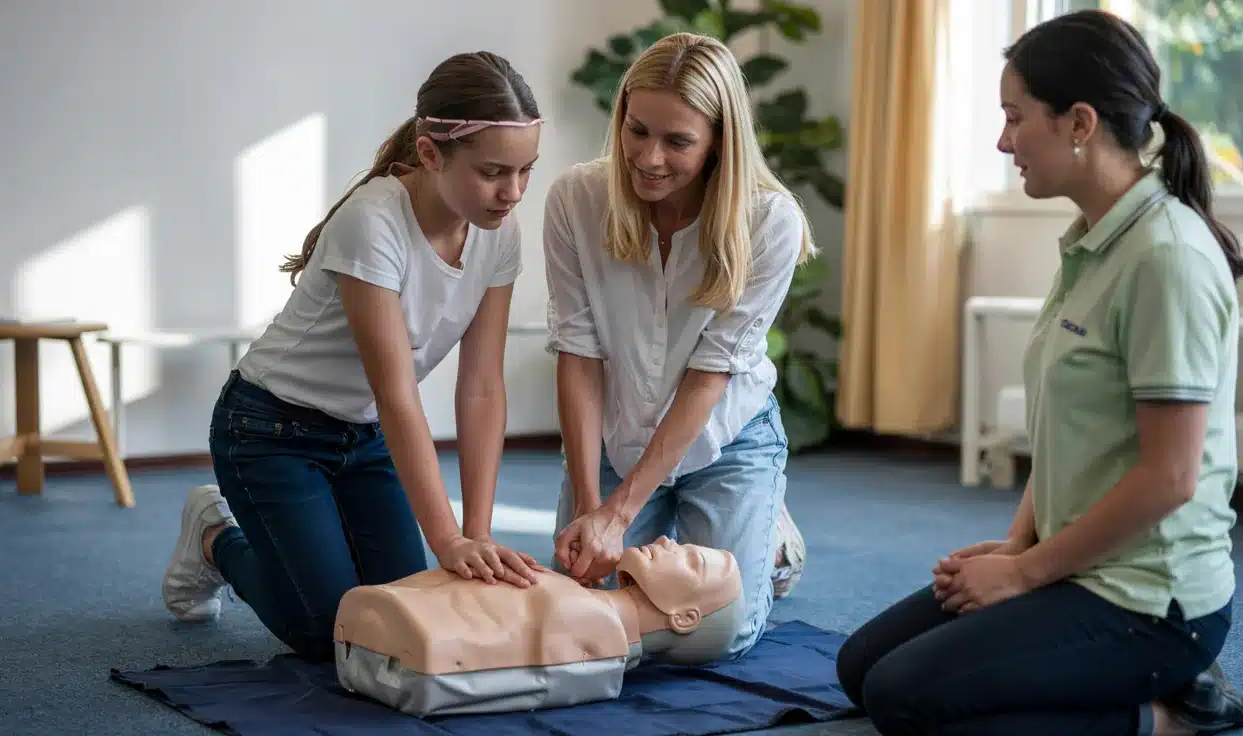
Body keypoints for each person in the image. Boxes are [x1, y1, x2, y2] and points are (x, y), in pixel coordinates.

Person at [835, 10, 1243, 735]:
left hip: (1153, 603)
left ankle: (1166, 713)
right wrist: (1016, 545)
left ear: (1080, 122)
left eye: (1014, 117)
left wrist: (1024, 577)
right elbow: (1073, 429)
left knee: (904, 698)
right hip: (1078, 567)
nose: (1004, 142)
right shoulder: (1093, 242)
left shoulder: (1165, 259)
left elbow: (1170, 477)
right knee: (860, 669)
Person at [161, 50, 549, 664]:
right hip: (269, 430)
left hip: (362, 438)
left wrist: (475, 534)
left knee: (400, 614)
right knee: (332, 633)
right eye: (494, 172)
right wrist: (443, 538)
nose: (514, 192)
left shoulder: (500, 230)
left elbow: (481, 387)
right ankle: (214, 535)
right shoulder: (373, 220)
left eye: (526, 171)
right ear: (429, 154)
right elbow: (397, 396)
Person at [542, 31, 815, 662]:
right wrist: (590, 506)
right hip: (616, 434)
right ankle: (676, 532)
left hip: (726, 435)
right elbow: (578, 354)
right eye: (637, 131)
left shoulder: (769, 221)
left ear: (719, 140)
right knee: (578, 606)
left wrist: (619, 515)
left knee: (721, 635)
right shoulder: (575, 200)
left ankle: (773, 544)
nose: (649, 158)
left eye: (678, 141)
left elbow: (709, 376)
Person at [333, 536, 744, 717]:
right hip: (395, 622)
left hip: (407, 638)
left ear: (685, 618)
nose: (669, 542)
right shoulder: (581, 605)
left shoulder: (593, 628)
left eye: (691, 561)